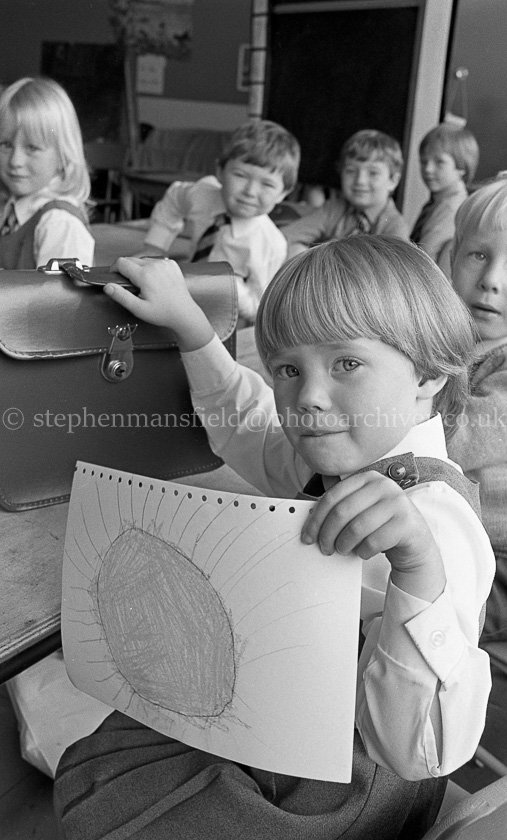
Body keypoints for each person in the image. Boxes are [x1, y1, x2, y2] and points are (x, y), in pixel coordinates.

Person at [53, 236, 495, 840]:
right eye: (289, 369)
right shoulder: (341, 456)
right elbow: (251, 426)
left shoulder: (436, 522)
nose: (308, 397)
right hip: (277, 725)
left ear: (429, 373)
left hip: (345, 786)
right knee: (104, 775)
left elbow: (420, 753)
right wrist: (193, 329)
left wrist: (417, 569)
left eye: (346, 364)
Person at [136, 118, 300, 324]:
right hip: (180, 299)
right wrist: (156, 246)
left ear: (284, 193)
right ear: (220, 171)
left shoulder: (272, 245)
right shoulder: (202, 194)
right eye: (240, 175)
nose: (250, 191)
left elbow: (260, 308)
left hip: (226, 322)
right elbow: (175, 199)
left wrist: (230, 287)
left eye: (267, 184)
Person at [446, 177, 507, 662]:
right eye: (479, 254)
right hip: (444, 529)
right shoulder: (446, 342)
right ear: (452, 258)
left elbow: (455, 443)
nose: (492, 279)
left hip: (494, 558)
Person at [0, 76, 94, 269]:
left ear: (63, 155)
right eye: (6, 145)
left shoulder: (59, 224)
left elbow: (57, 290)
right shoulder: (9, 210)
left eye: (32, 148)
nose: (15, 161)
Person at [282, 129, 409, 258]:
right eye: (351, 171)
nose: (360, 181)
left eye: (373, 173)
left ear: (393, 180)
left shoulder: (395, 226)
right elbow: (287, 236)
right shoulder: (335, 208)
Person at [410, 123, 479, 264]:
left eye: (439, 162)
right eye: (424, 161)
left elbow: (423, 257)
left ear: (462, 166)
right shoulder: (437, 202)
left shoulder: (451, 208)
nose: (428, 169)